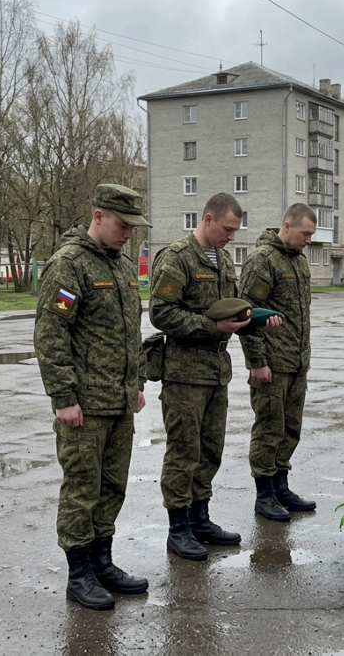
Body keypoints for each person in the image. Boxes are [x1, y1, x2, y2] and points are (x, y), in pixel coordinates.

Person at [34, 183, 149, 611]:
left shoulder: (120, 266)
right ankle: (79, 573)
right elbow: (51, 334)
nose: (128, 234)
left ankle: (103, 563)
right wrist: (63, 397)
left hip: (119, 403)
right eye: (123, 225)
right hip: (83, 406)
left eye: (134, 227)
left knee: (112, 486)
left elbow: (127, 334)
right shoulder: (69, 265)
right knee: (82, 488)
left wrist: (134, 385)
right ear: (99, 215)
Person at [149, 193, 282, 562]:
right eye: (227, 229)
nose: (231, 237)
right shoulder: (177, 258)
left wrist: (256, 320)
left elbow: (235, 311)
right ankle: (178, 530)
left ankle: (200, 519)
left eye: (236, 231)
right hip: (184, 373)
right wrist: (211, 326)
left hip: (215, 372)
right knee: (183, 451)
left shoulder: (223, 260)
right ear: (207, 219)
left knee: (210, 449)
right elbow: (161, 313)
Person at [239, 203, 317, 522]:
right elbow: (246, 313)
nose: (308, 240)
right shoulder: (263, 260)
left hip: (295, 363)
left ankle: (281, 485)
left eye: (311, 234)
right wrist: (257, 361)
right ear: (286, 226)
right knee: (269, 429)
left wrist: (304, 356)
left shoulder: (299, 261)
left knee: (290, 428)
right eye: (305, 233)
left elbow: (301, 315)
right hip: (271, 364)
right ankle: (264, 494)